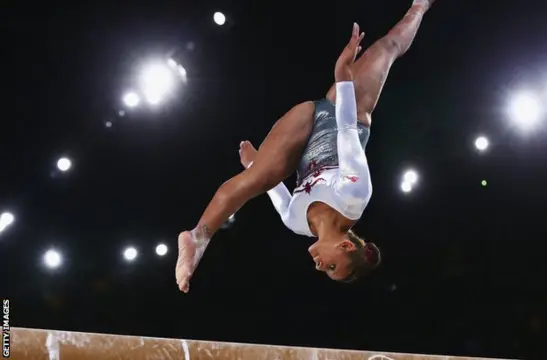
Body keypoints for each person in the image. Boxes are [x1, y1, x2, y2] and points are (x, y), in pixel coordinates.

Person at [176, 0, 435, 292]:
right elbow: (348, 130)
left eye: (327, 272)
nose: (320, 267)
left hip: (303, 129)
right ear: (347, 244)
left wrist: (254, 164)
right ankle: (420, 6)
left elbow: (277, 192)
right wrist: (343, 76)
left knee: (257, 179)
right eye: (333, 266)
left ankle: (198, 237)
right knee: (388, 48)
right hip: (344, 112)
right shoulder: (354, 196)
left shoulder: (295, 223)